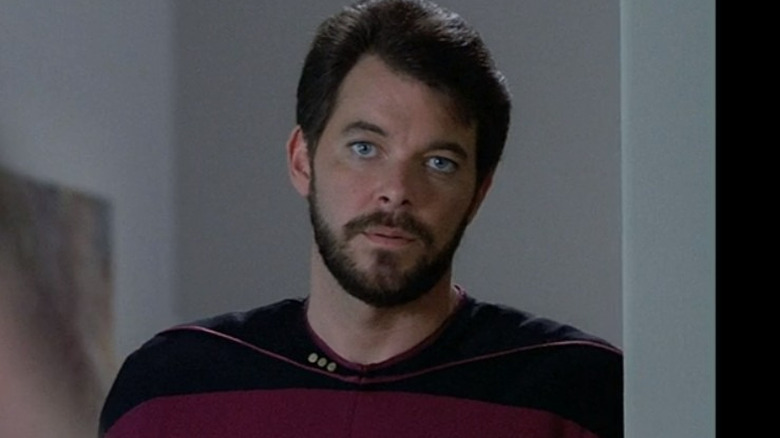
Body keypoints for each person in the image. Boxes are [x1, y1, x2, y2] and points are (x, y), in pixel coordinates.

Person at [99, 0, 623, 436]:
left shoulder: (577, 393)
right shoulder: (170, 389)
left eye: (439, 162)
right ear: (302, 160)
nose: (396, 191)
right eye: (364, 148)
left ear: (478, 192)